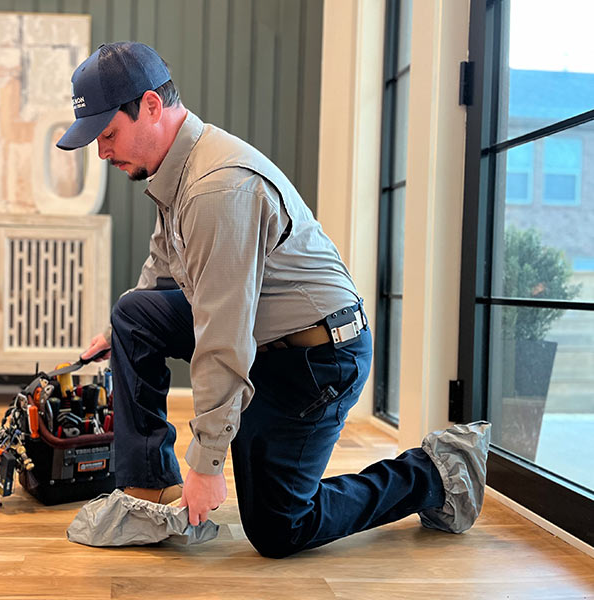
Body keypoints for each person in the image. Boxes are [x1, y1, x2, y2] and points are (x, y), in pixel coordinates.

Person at [55, 41, 490, 558]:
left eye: (108, 134)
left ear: (151, 106)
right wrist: (118, 333)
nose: (102, 152)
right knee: (133, 314)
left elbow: (222, 334)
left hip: (317, 357)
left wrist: (207, 462)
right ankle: (148, 484)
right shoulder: (177, 167)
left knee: (279, 528)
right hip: (263, 337)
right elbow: (165, 267)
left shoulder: (216, 189)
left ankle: (436, 472)